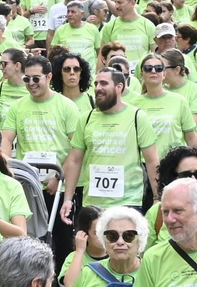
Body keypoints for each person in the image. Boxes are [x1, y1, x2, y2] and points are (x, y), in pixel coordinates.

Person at [59, 67, 159, 221]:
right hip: (92, 203)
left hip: (128, 202)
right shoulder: (86, 118)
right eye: (96, 84)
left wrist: (157, 197)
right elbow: (74, 160)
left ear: (119, 87)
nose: (98, 88)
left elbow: (152, 161)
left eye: (104, 84)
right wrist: (68, 198)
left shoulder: (137, 117)